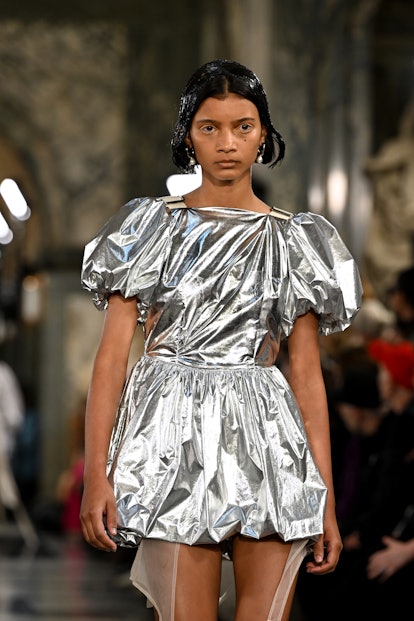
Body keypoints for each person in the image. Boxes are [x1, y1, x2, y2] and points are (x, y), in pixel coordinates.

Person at [80, 59, 362, 621]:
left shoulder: (295, 241)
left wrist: (324, 498)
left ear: (264, 135)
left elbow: (305, 376)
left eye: (243, 126)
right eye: (210, 127)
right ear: (188, 135)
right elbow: (111, 360)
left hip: (268, 439)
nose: (227, 143)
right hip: (170, 437)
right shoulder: (148, 228)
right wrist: (96, 474)